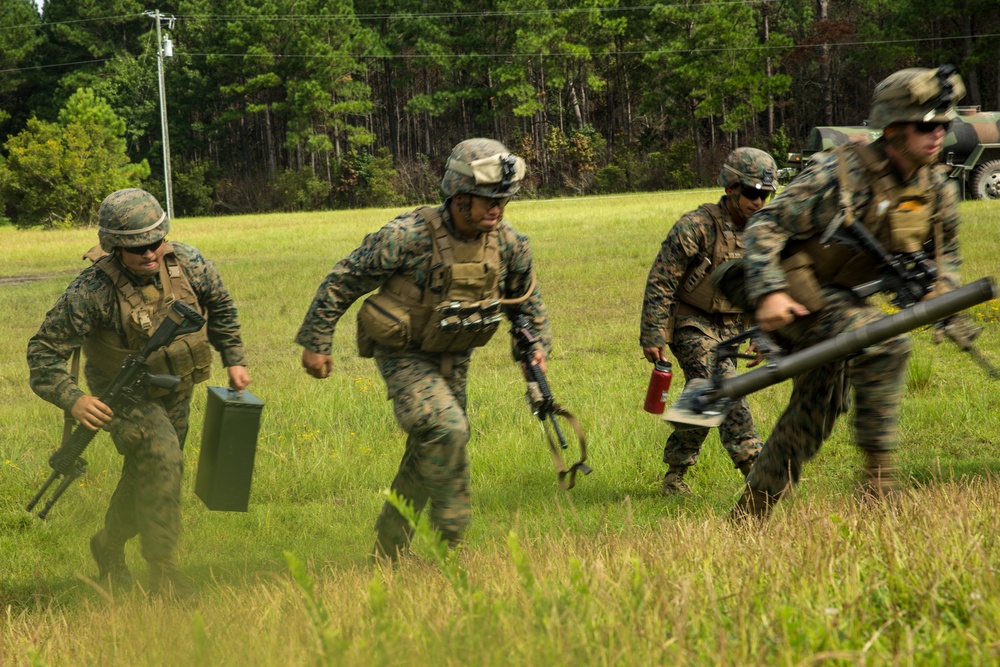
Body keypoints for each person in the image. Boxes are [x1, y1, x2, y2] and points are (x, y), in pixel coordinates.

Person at [296, 138, 551, 561]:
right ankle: (451, 533)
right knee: (447, 429)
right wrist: (317, 342)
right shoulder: (406, 235)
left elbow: (525, 302)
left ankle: (389, 548)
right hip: (402, 349)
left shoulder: (509, 243)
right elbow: (344, 279)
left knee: (428, 449)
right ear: (458, 195)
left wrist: (534, 346)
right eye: (487, 200)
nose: (497, 209)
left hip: (455, 352)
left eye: (503, 201)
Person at [731, 65, 967, 519]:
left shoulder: (937, 190)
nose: (937, 134)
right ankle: (878, 483)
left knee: (816, 411)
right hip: (795, 294)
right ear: (894, 129)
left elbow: (947, 259)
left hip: (845, 300)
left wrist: (943, 292)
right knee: (885, 340)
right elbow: (765, 225)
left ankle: (750, 514)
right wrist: (768, 293)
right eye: (925, 126)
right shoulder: (840, 173)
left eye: (944, 125)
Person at [27, 188, 251, 596]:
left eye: (155, 243)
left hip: (177, 386)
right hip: (123, 395)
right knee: (164, 459)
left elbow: (220, 305)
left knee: (149, 476)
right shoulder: (91, 292)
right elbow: (42, 353)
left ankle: (108, 546)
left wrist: (234, 357)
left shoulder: (189, 262)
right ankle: (164, 575)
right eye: (137, 249)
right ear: (114, 247)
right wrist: (74, 398)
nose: (149, 254)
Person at [641, 148, 775, 494]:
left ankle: (675, 473)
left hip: (733, 326)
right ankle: (757, 469)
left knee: (706, 392)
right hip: (691, 321)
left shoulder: (769, 234)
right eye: (751, 193)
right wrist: (654, 332)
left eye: (765, 194)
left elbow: (769, 289)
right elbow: (662, 279)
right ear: (731, 188)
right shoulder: (696, 226)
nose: (758, 200)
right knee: (724, 383)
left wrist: (763, 335)